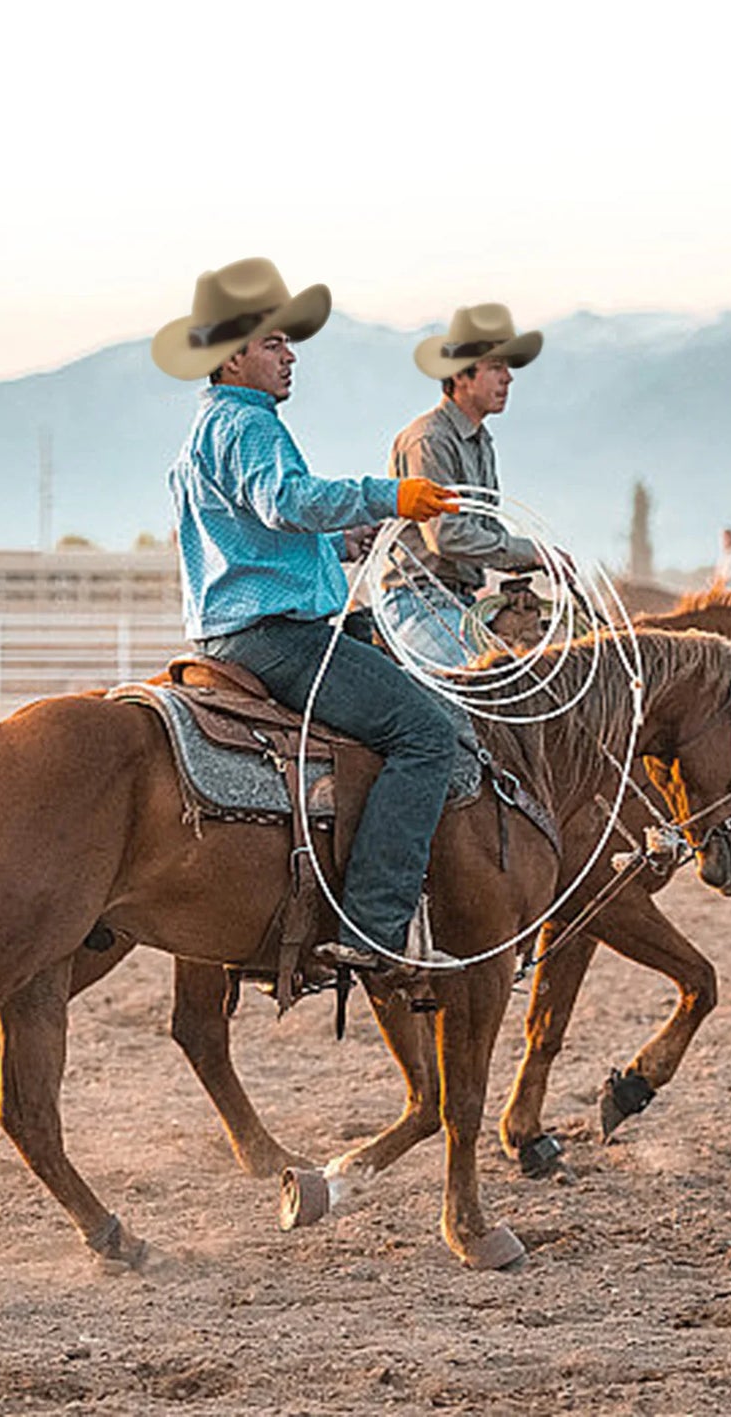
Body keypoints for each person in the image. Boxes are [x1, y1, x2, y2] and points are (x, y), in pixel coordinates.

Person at [152, 256, 460, 970]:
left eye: (288, 343)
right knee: (426, 732)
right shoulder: (248, 426)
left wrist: (337, 542)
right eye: (273, 344)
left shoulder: (209, 428)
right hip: (274, 641)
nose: (289, 357)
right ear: (232, 356)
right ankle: (375, 927)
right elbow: (283, 500)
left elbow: (259, 532)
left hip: (235, 635)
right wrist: (388, 496)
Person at [383, 304, 546, 666]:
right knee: (484, 685)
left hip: (460, 602)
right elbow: (446, 535)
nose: (508, 379)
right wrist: (531, 552)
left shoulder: (480, 442)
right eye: (495, 367)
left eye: (507, 368)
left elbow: (485, 528)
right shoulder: (429, 441)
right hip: (417, 602)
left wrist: (531, 561)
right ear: (461, 376)